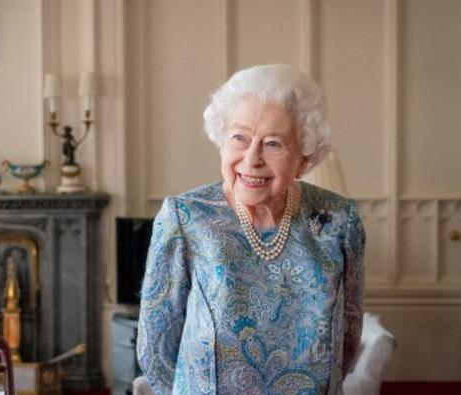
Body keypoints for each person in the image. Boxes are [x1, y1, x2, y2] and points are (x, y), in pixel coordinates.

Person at [136, 64, 365, 394]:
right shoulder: (186, 218)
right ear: (221, 139)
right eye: (239, 138)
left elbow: (348, 337)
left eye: (273, 144)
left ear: (304, 156)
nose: (252, 158)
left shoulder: (338, 220)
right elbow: (157, 349)